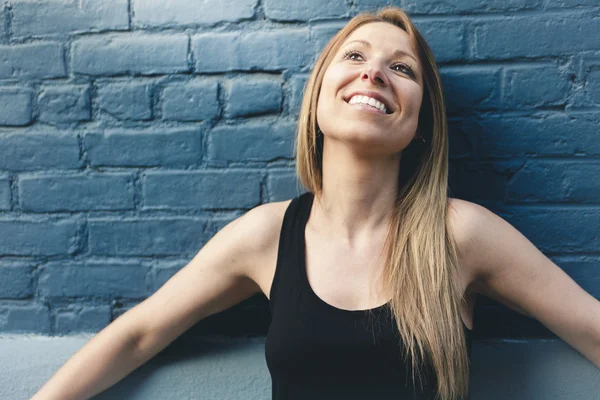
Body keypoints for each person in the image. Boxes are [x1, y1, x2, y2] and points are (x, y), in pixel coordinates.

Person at [31, 6, 600, 400]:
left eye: (402, 69)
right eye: (354, 56)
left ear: (422, 123)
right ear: (320, 93)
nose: (374, 71)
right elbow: (137, 334)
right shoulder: (266, 235)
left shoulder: (462, 235)